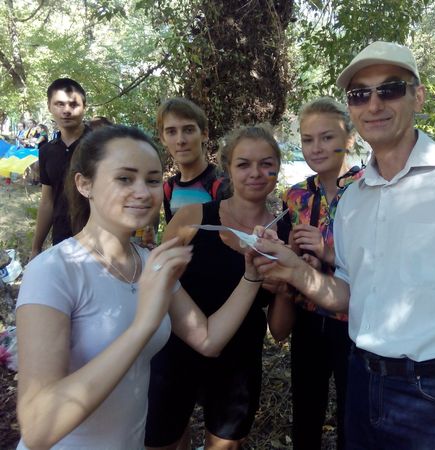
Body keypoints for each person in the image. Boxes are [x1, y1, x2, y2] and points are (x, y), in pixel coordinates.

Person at [253, 41, 435, 449]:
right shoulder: (353, 199)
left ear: (418, 97)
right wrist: (295, 269)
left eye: (389, 89)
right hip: (362, 383)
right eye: (360, 94)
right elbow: (349, 294)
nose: (374, 104)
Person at [15, 125, 265, 450]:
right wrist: (143, 325)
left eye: (152, 180)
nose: (143, 192)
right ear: (84, 184)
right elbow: (38, 428)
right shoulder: (53, 271)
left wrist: (252, 275)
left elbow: (207, 339)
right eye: (124, 178)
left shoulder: (148, 262)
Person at [145, 125, 293, 450]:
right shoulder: (193, 218)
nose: (255, 173)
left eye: (266, 164)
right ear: (228, 168)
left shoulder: (284, 234)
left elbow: (280, 331)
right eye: (243, 164)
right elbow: (157, 286)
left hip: (239, 364)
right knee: (163, 442)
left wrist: (284, 288)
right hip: (176, 353)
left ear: (277, 168)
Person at [282, 97, 363, 450]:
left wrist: (327, 251)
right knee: (305, 408)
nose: (316, 148)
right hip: (308, 316)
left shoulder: (370, 188)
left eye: (327, 137)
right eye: (307, 139)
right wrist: (292, 253)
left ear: (349, 138)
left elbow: (381, 261)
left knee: (353, 410)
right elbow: (292, 254)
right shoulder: (296, 196)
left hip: (355, 320)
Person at [31, 78, 90, 258]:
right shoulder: (47, 151)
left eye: (74, 104)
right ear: (49, 107)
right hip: (62, 240)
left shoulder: (101, 145)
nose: (66, 110)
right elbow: (47, 201)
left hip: (99, 240)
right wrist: (36, 248)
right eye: (59, 104)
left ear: (84, 107)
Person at [157, 98, 229, 224]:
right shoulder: (169, 188)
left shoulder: (222, 184)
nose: (180, 140)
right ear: (163, 139)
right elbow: (172, 234)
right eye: (171, 132)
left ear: (204, 134)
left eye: (189, 130)